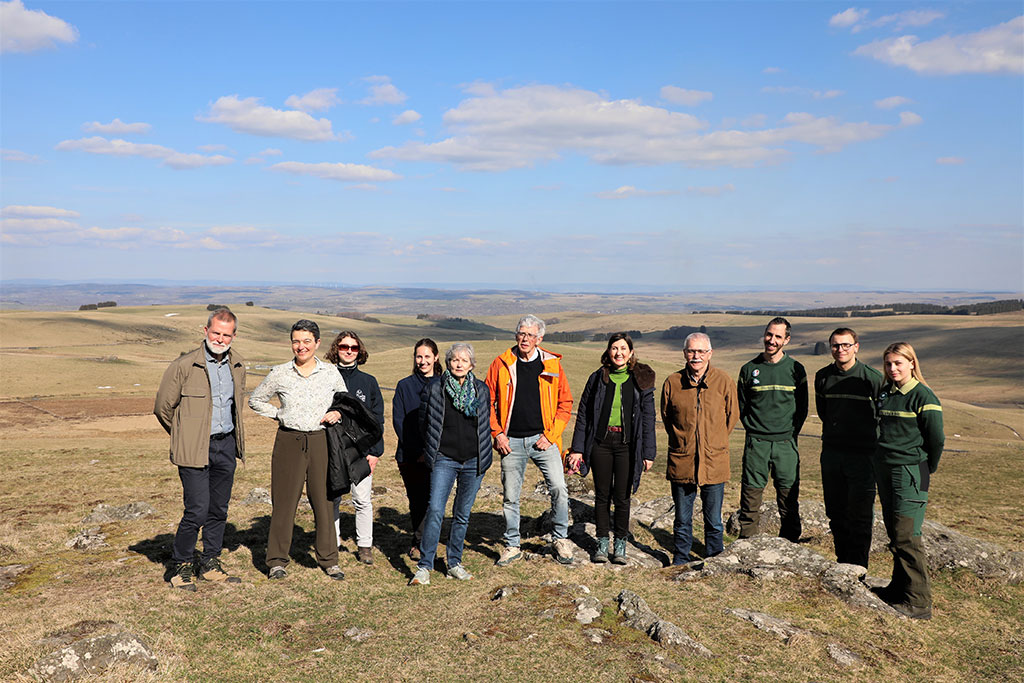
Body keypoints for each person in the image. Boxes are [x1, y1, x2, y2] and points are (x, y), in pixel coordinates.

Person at [155, 307, 246, 590]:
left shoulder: (238, 365)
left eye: (226, 334)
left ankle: (210, 562)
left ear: (234, 336)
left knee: (218, 509)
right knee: (196, 509)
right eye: (216, 332)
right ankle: (180, 566)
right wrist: (185, 435)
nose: (220, 339)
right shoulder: (184, 365)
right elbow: (162, 408)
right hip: (195, 448)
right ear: (205, 331)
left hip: (225, 445)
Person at [248, 320, 347, 581]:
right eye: (296, 341)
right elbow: (255, 399)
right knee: (284, 503)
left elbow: (345, 403)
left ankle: (329, 560)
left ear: (317, 343)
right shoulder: (280, 372)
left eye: (306, 341)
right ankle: (277, 561)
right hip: (288, 442)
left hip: (321, 441)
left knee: (324, 502)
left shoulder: (330, 373)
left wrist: (337, 412)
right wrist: (279, 414)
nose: (300, 346)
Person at [486, 314, 575, 566]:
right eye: (521, 334)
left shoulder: (552, 364)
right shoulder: (501, 364)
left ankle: (560, 538)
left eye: (530, 335)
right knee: (511, 497)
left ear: (540, 338)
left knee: (559, 487)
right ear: (516, 335)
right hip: (510, 441)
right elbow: (487, 402)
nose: (525, 339)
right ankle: (512, 545)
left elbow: (565, 403)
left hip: (543, 439)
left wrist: (551, 435)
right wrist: (497, 434)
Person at [566, 333, 656, 564]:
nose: (619, 353)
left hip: (627, 445)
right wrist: (577, 448)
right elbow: (584, 414)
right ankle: (602, 541)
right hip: (601, 444)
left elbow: (648, 418)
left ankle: (621, 544)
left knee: (623, 496)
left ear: (631, 353)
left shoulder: (640, 380)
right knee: (603, 495)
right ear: (608, 352)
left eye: (623, 348)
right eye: (614, 348)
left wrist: (648, 452)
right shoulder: (597, 378)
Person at [408, 343, 493, 585]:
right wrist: (431, 448)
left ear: (472, 365)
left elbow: (484, 424)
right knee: (435, 509)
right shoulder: (435, 388)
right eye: (454, 359)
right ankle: (425, 565)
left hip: (473, 460)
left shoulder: (481, 390)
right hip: (444, 458)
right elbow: (423, 423)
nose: (458, 363)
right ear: (447, 363)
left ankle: (454, 562)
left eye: (464, 360)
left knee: (462, 514)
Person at [872, 342, 944, 620]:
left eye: (898, 363)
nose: (892, 369)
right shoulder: (886, 393)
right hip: (886, 470)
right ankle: (899, 588)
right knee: (895, 533)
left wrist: (927, 468)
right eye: (888, 364)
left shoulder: (923, 396)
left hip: (912, 471)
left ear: (912, 363)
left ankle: (919, 602)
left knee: (907, 535)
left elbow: (936, 439)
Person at [660, 332, 738, 565]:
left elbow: (732, 417)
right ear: (685, 353)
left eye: (701, 352)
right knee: (682, 518)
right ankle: (681, 559)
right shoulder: (673, 382)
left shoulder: (723, 381)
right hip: (682, 461)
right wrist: (685, 442)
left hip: (714, 461)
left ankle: (714, 559)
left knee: (713, 518)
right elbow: (667, 418)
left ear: (710, 354)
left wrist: (713, 442)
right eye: (692, 351)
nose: (696, 356)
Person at [814, 327, 883, 568]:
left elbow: (882, 417)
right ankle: (843, 565)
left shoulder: (872, 378)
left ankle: (859, 569)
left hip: (863, 456)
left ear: (856, 346)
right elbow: (824, 412)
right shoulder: (823, 377)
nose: (840, 350)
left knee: (861, 516)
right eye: (835, 345)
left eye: (846, 345)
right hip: (832, 454)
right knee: (836, 512)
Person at [736, 317, 808, 541]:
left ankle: (790, 548)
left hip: (786, 444)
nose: (772, 340)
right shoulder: (749, 369)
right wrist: (755, 430)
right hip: (756, 443)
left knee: (788, 502)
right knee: (750, 501)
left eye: (778, 336)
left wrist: (788, 434)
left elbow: (802, 409)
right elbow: (742, 406)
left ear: (787, 340)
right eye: (769, 334)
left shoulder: (796, 370)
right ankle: (746, 546)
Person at [325, 330, 384, 565]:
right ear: (335, 349)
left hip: (361, 450)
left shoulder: (368, 382)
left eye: (354, 348)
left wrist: (375, 452)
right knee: (334, 497)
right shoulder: (325, 376)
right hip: (332, 448)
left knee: (362, 499)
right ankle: (333, 542)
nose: (349, 351)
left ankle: (365, 546)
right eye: (343, 347)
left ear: (360, 352)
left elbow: (377, 419)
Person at [392, 338, 443, 560]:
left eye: (427, 357)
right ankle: (420, 543)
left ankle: (428, 540)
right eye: (419, 357)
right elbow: (399, 422)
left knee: (435, 500)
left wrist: (433, 451)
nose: (422, 361)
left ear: (436, 358)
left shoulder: (444, 384)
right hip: (410, 455)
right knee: (418, 500)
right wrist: (418, 452)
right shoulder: (405, 386)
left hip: (440, 454)